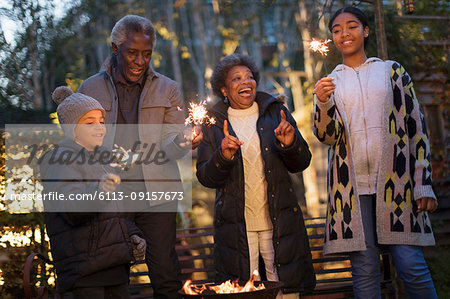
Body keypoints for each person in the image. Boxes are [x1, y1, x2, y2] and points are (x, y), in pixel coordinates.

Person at [313, 6, 438, 299]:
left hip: (397, 186)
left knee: (410, 264)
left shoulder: (392, 71)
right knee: (365, 270)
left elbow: (417, 128)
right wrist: (321, 103)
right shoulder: (330, 82)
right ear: (332, 38)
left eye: (352, 26)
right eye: (337, 29)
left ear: (365, 31)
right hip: (351, 191)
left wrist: (422, 183)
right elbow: (327, 136)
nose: (345, 33)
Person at [78, 15, 201, 299]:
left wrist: (183, 141)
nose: (139, 61)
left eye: (146, 54)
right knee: (115, 276)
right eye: (132, 53)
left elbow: (172, 143)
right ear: (115, 49)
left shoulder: (168, 88)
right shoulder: (89, 89)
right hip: (110, 197)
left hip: (157, 195)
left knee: (166, 275)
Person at [196, 53, 316, 298]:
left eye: (249, 77)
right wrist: (223, 155)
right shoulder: (213, 122)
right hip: (238, 227)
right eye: (237, 78)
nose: (246, 82)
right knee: (244, 291)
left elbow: (301, 162)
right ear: (224, 89)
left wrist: (290, 143)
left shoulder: (276, 112)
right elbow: (206, 177)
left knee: (285, 288)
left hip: (279, 222)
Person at [40, 86, 146, 298]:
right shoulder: (60, 160)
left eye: (101, 121)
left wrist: (132, 233)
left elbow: (113, 215)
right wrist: (100, 190)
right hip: (86, 272)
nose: (99, 127)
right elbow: (73, 209)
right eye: (89, 123)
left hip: (114, 267)